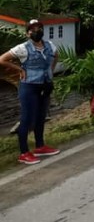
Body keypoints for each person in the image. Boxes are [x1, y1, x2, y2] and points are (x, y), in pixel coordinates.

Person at [0, 19, 60, 164]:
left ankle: (40, 146)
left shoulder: (50, 46)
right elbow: (2, 59)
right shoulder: (23, 48)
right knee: (27, 118)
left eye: (39, 28)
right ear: (27, 33)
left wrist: (50, 71)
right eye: (32, 30)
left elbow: (56, 56)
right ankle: (24, 152)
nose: (36, 31)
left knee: (41, 115)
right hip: (29, 86)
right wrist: (20, 70)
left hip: (45, 85)